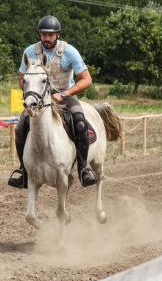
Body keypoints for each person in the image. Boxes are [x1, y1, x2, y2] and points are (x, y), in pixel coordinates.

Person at [8, 15, 96, 189]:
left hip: (65, 96)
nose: (46, 38)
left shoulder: (70, 51)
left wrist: (64, 94)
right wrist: (30, 94)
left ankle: (84, 167)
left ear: (58, 34)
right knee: (20, 129)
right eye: (43, 34)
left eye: (50, 35)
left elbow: (86, 80)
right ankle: (23, 171)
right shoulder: (30, 52)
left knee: (79, 123)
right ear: (39, 34)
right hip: (38, 99)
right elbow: (21, 79)